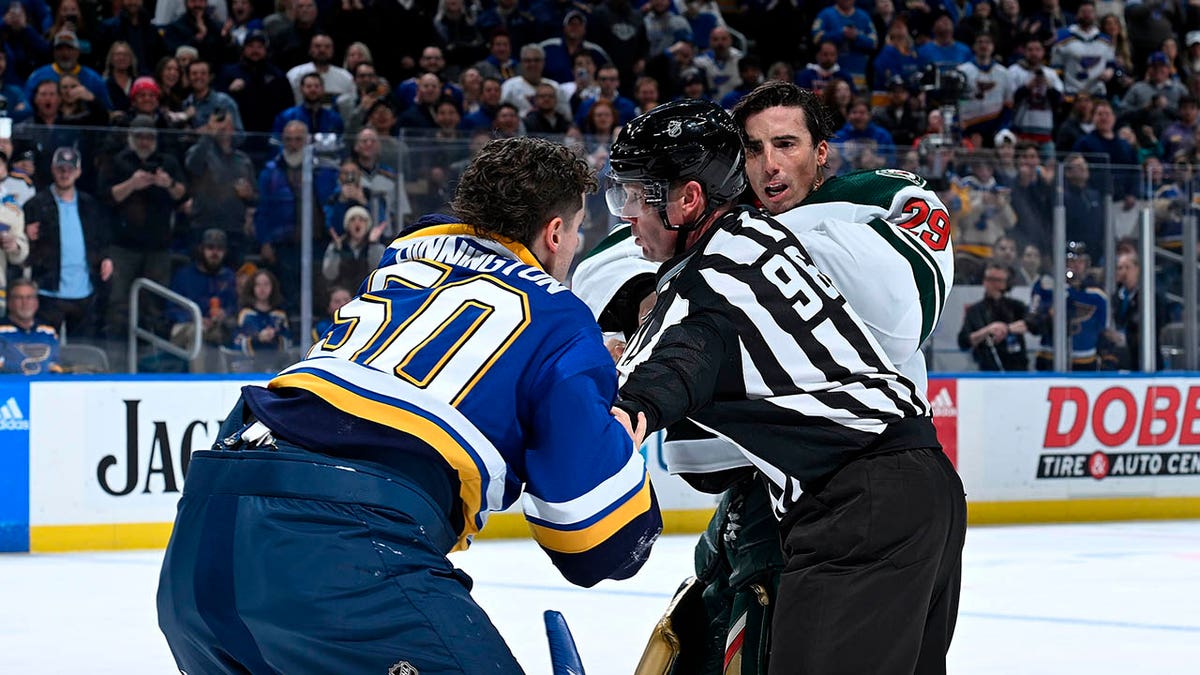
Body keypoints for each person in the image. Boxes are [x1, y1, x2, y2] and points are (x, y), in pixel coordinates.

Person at [158, 136, 662, 674]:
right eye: (579, 229)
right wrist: (609, 404)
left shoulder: (403, 256)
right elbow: (597, 543)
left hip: (202, 541)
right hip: (340, 554)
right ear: (554, 232)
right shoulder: (562, 321)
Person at [609, 97, 965, 675]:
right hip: (920, 486)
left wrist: (623, 411)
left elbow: (678, 363)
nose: (624, 213)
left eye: (633, 194)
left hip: (857, 509)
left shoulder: (707, 285)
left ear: (689, 199)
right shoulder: (759, 238)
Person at [1027, 240, 1109, 371]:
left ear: (1087, 264)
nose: (1076, 266)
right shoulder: (1045, 285)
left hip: (1085, 360)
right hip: (1049, 358)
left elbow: (1103, 330)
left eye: (1080, 261)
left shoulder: (1096, 294)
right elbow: (1033, 320)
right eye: (1071, 261)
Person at [167, 228, 237, 373]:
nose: (214, 253)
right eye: (210, 248)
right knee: (196, 331)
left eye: (219, 249)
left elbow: (235, 306)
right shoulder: (184, 275)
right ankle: (198, 379)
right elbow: (171, 310)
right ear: (201, 249)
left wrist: (225, 314)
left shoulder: (228, 277)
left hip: (217, 328)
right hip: (185, 328)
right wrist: (197, 319)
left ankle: (227, 380)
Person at [957, 261, 1030, 371]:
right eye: (990, 279)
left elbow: (1031, 325)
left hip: (1017, 369)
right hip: (987, 369)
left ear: (1006, 283)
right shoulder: (975, 311)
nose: (994, 284)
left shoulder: (1016, 306)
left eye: (999, 281)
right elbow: (964, 341)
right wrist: (988, 330)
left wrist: (1006, 329)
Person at [0, 278, 63, 375]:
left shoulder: (48, 332)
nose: (25, 303)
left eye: (29, 297)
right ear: (9, 302)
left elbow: (55, 365)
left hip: (43, 387)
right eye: (19, 298)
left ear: (36, 302)